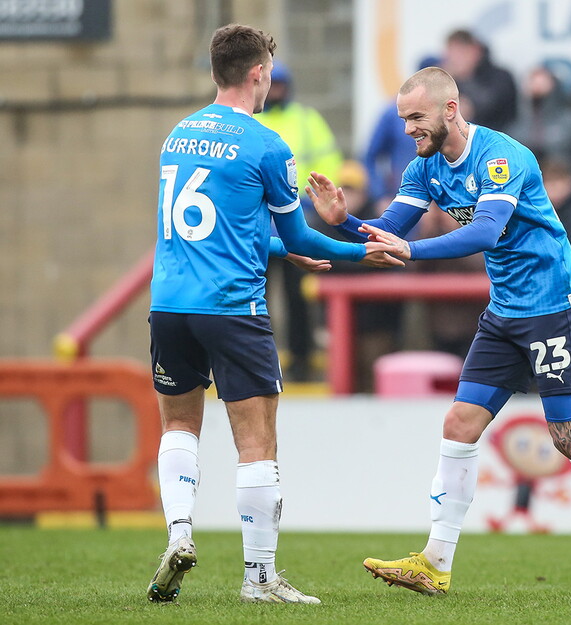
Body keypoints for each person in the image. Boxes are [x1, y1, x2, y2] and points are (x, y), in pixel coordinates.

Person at [306, 66, 571, 598]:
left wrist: (412, 253)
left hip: (555, 307)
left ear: (450, 109)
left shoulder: (502, 156)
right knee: (460, 424)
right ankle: (435, 564)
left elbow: (484, 231)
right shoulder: (424, 169)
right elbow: (388, 234)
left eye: (416, 118)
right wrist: (342, 223)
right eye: (403, 120)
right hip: (506, 311)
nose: (409, 130)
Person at [146, 23, 400, 604]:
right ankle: (259, 577)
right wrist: (366, 250)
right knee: (256, 442)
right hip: (233, 307)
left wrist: (289, 249)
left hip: (169, 305)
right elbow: (311, 239)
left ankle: (179, 534)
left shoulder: (177, 135)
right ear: (258, 73)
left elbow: (221, 230)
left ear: (216, 73)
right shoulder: (266, 144)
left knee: (178, 426)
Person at [258, 60, 344, 381]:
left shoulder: (307, 120)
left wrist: (311, 203)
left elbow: (329, 165)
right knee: (258, 292)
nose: (276, 91)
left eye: (281, 85)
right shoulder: (253, 121)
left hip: (297, 217)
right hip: (262, 221)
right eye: (273, 85)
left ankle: (301, 358)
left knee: (298, 294)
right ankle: (259, 355)